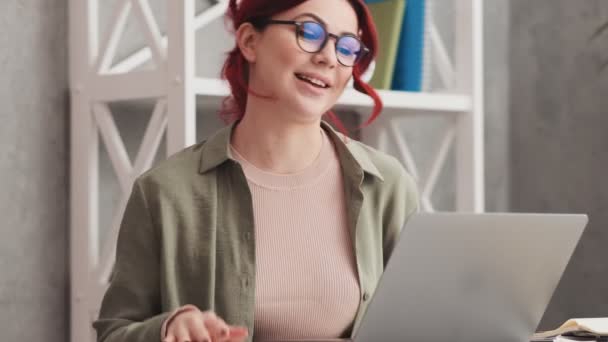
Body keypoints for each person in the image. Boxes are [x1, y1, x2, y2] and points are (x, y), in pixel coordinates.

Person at [92, 0, 419, 341]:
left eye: (347, 46)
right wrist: (166, 331)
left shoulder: (388, 187)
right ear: (249, 41)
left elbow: (421, 323)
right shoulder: (164, 193)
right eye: (309, 32)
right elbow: (113, 333)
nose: (328, 57)